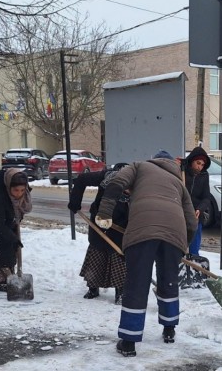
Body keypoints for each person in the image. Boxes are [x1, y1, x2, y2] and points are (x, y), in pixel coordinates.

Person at [95, 150, 197, 357]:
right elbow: (191, 222)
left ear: (155, 159)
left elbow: (115, 183)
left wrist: (104, 212)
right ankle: (169, 330)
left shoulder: (139, 166)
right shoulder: (179, 184)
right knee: (168, 281)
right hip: (174, 233)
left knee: (137, 283)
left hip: (143, 230)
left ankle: (129, 341)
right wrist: (183, 245)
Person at [68, 163, 130, 303]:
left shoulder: (138, 183)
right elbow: (82, 179)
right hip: (99, 220)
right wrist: (75, 201)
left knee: (119, 255)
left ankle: (120, 291)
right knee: (97, 251)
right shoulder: (105, 177)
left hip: (122, 223)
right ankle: (93, 287)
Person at [182, 146, 212, 256]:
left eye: (202, 165)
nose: (200, 167)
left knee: (194, 247)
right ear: (192, 161)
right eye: (198, 163)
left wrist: (200, 208)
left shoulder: (204, 175)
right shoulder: (182, 171)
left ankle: (194, 262)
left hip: (195, 213)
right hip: (181, 212)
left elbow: (206, 197)